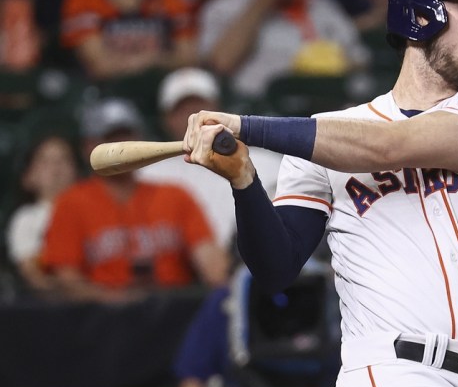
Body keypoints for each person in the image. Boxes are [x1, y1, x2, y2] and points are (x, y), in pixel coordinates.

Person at [181, 0, 458, 387]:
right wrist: (244, 180)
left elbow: (388, 147)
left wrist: (245, 125)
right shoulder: (327, 136)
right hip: (385, 379)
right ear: (419, 15)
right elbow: (276, 269)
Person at [41, 98, 229, 304]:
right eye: (111, 138)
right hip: (102, 319)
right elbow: (65, 279)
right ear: (89, 147)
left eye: (127, 137)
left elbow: (212, 265)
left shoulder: (175, 195)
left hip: (173, 313)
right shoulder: (71, 203)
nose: (122, 147)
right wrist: (115, 301)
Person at [138, 67, 282, 248]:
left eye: (200, 107)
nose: (193, 116)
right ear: (166, 119)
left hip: (250, 262)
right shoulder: (149, 174)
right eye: (182, 110)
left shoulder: (263, 161)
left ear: (219, 109)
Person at [198, 0, 370, 99]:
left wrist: (334, 66)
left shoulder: (323, 5)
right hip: (262, 114)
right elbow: (221, 62)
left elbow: (361, 61)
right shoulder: (225, 6)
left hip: (330, 106)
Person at [60, 0, 197, 79]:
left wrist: (151, 61)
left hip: (166, 82)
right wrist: (152, 60)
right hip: (109, 88)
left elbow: (187, 57)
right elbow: (99, 65)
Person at [5, 135, 79, 295]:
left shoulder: (93, 209)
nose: (56, 168)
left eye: (63, 159)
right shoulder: (26, 218)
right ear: (28, 176)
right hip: (54, 306)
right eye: (45, 161)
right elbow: (33, 275)